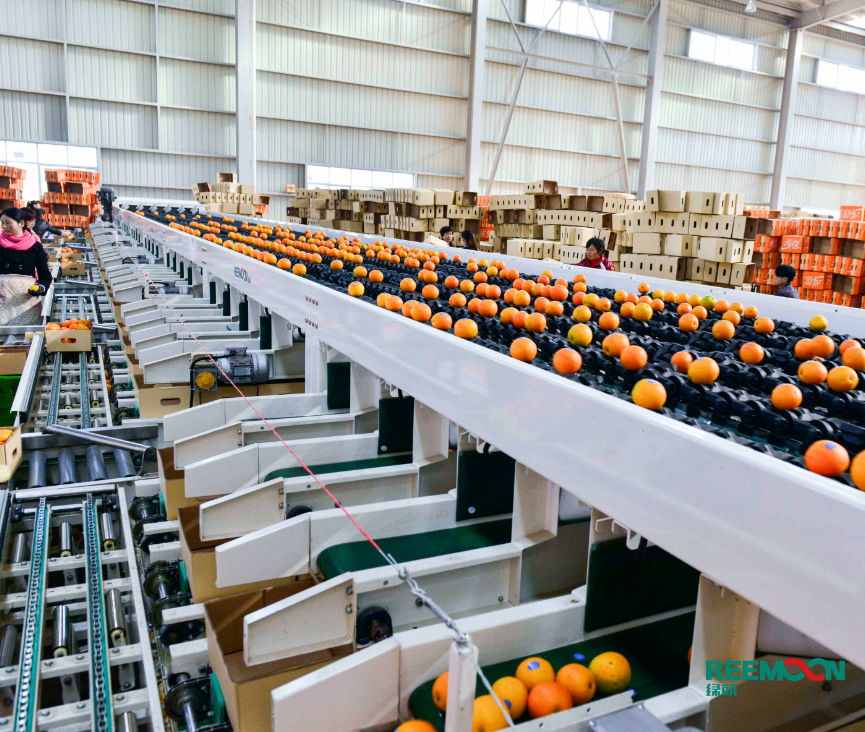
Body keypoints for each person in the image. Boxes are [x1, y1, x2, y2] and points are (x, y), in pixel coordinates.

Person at [0, 208, 52, 293]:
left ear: (21, 224)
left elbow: (45, 275)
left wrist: (41, 287)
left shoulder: (34, 246)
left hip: (26, 296)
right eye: (2, 222)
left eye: (8, 223)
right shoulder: (1, 244)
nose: (4, 226)